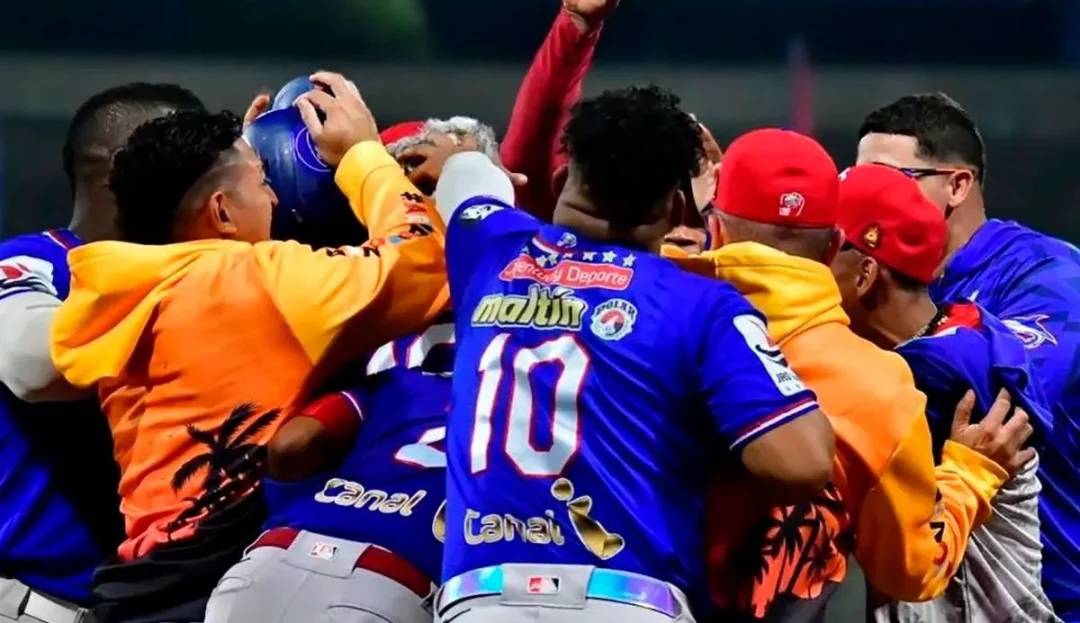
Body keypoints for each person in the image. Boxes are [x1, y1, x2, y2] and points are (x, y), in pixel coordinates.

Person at [46, 73, 449, 623]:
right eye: (263, 183)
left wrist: (241, 158)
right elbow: (422, 263)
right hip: (206, 586)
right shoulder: (253, 281)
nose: (276, 196)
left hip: (141, 585)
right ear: (222, 214)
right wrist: (362, 155)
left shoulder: (123, 283)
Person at [429, 86, 834, 623]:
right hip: (629, 599)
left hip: (481, 599)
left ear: (559, 183)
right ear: (675, 208)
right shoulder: (701, 305)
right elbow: (803, 462)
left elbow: (466, 176)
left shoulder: (487, 246)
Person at [671, 129, 1027, 621]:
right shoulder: (878, 385)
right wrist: (971, 473)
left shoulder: (643, 311)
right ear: (833, 243)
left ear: (717, 229)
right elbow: (912, 569)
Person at [856, 93, 1080, 620]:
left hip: (1047, 596)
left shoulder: (1047, 273)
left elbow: (1014, 395)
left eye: (887, 180)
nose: (864, 197)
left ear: (957, 184)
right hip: (920, 588)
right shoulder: (862, 282)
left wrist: (888, 336)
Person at [0, 83, 204, 623]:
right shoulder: (29, 261)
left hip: (127, 605)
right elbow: (33, 366)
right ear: (123, 167)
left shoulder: (195, 278)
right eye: (193, 153)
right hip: (30, 603)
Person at [831, 163, 1053, 622]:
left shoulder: (931, 374)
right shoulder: (965, 325)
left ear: (866, 273)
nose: (806, 264)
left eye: (824, 247)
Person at [204, 319, 455, 623]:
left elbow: (292, 445)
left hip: (272, 558)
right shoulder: (524, 391)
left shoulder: (397, 379)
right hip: (389, 580)